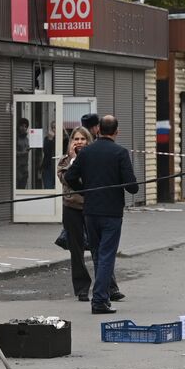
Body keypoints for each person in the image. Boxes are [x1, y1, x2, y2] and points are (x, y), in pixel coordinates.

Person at [64, 114, 138, 315]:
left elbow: (69, 176)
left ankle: (102, 296)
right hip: (111, 213)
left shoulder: (87, 153)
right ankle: (99, 300)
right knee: (106, 256)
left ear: (98, 130)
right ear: (116, 131)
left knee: (98, 254)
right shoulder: (120, 153)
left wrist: (85, 189)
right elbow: (132, 187)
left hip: (90, 211)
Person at [57, 126, 122, 304]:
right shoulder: (64, 161)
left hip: (92, 208)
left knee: (100, 250)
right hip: (71, 208)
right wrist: (72, 160)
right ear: (71, 143)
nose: (79, 142)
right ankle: (82, 289)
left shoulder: (95, 159)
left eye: (83, 139)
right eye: (75, 139)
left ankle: (110, 287)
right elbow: (66, 179)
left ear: (89, 141)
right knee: (76, 251)